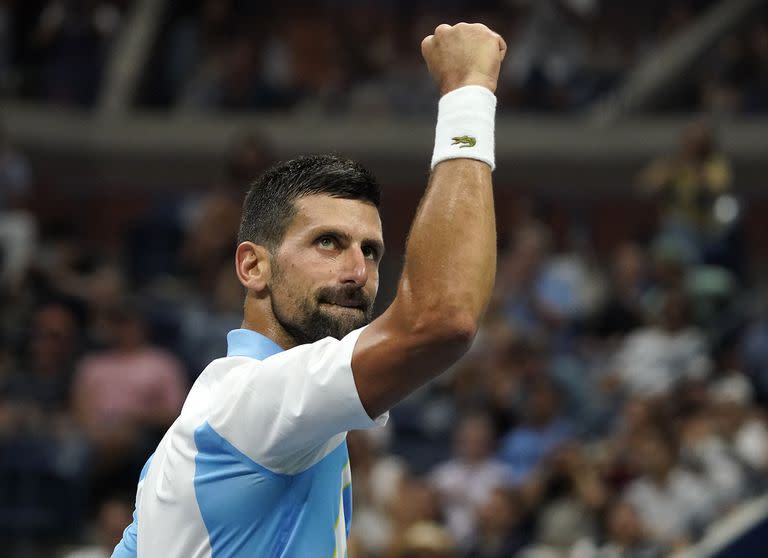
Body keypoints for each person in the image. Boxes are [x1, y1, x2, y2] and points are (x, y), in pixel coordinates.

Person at [112, 22, 507, 557]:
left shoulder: (192, 439)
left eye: (370, 251)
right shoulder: (252, 399)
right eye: (328, 242)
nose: (358, 271)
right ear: (253, 266)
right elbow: (441, 318)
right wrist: (468, 92)